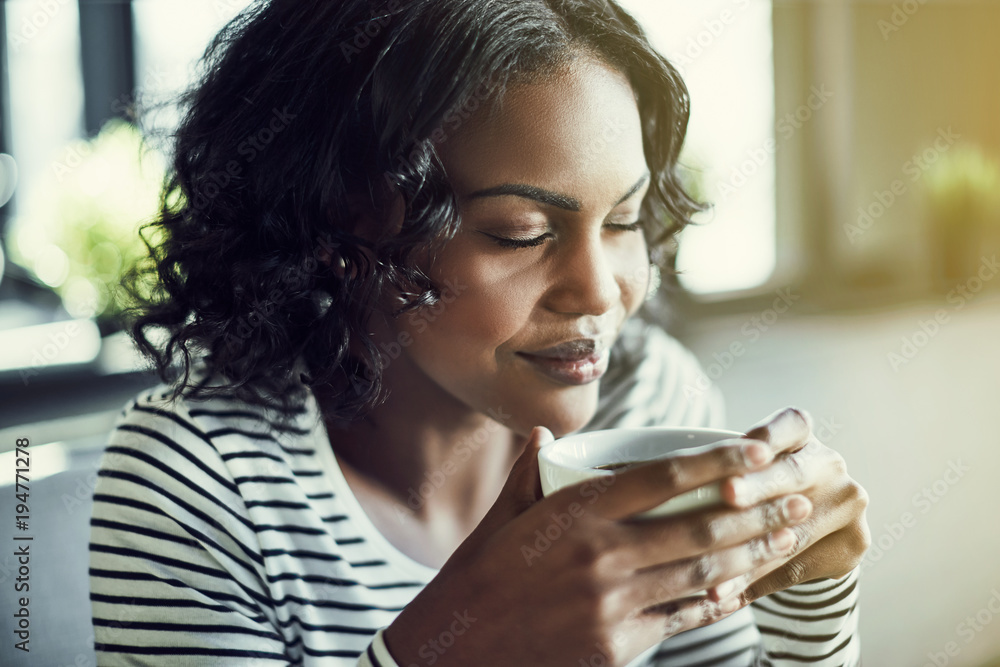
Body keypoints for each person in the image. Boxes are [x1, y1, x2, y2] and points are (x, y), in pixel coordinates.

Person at [90, 0, 871, 664]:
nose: (601, 291)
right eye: (520, 231)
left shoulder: (647, 400)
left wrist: (812, 596)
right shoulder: (198, 482)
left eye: (625, 219)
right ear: (340, 228)